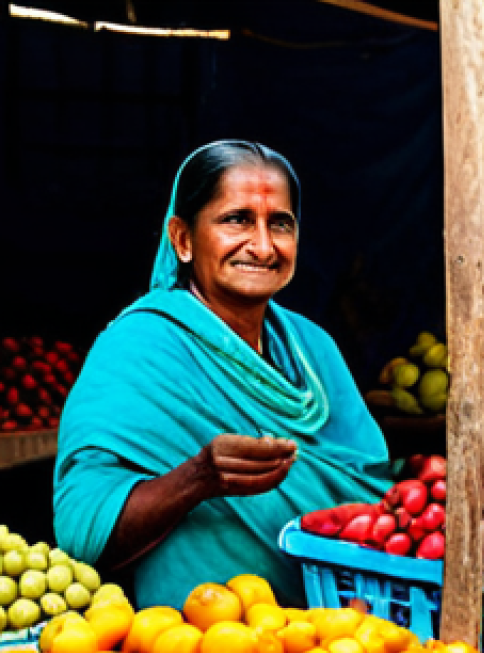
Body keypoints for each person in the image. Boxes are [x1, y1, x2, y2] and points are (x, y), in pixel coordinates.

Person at [55, 141, 391, 609]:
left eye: (280, 224)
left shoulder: (315, 348)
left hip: (336, 635)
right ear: (183, 239)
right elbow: (83, 529)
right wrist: (198, 478)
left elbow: (371, 494)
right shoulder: (139, 347)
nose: (263, 246)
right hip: (194, 637)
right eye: (237, 220)